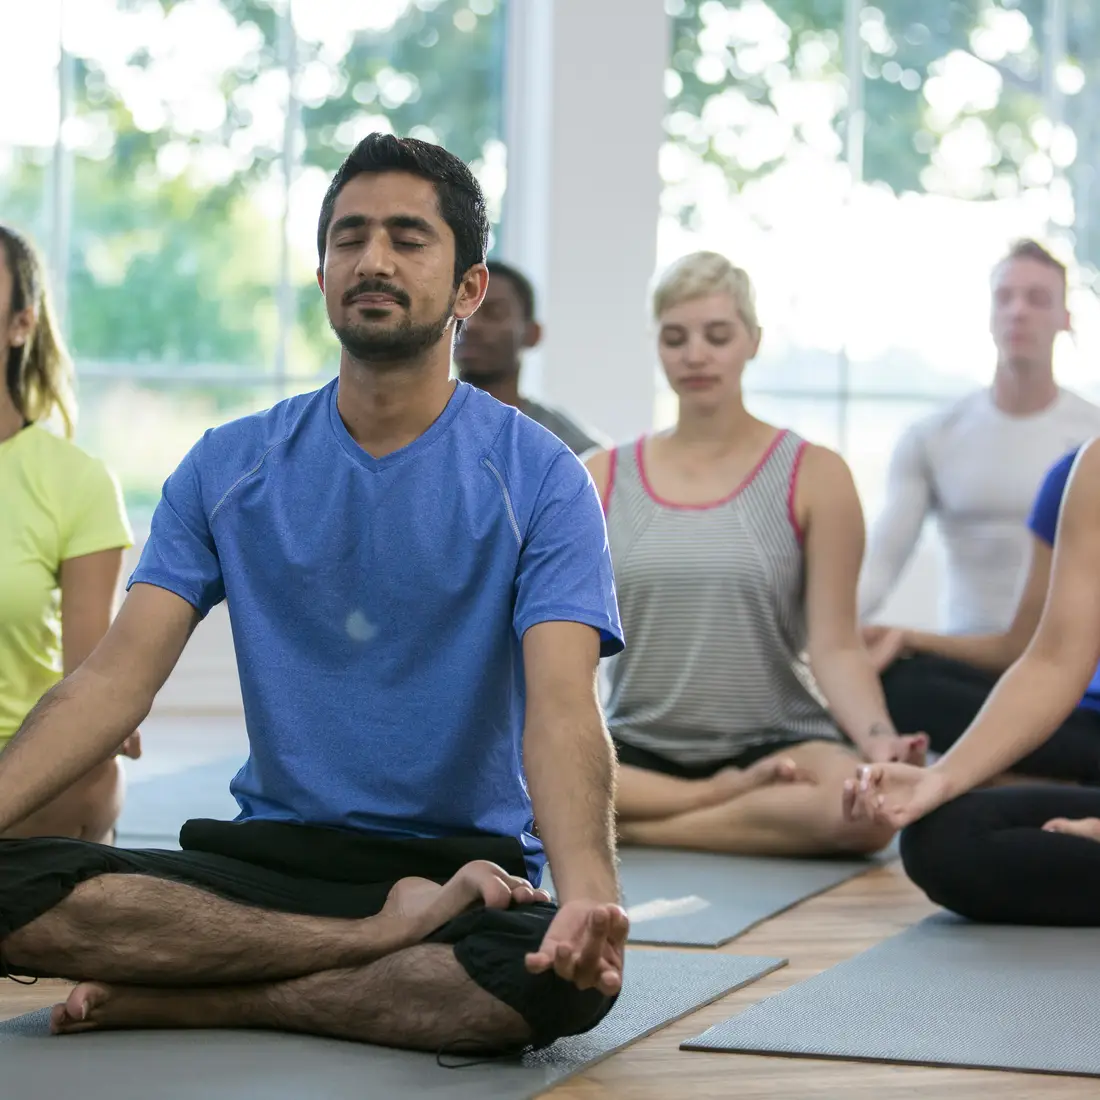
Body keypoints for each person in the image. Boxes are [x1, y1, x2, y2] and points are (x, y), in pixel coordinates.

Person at [0, 135, 629, 1051]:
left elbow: (565, 710)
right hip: (269, 862)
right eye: (349, 237)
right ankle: (371, 946)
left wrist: (589, 903)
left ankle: (214, 995)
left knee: (547, 982)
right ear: (324, 271)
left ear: (469, 289)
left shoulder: (542, 478)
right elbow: (110, 683)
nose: (372, 260)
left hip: (461, 869)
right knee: (11, 883)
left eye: (408, 239)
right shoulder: (227, 464)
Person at [584, 251, 926, 859]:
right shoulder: (601, 476)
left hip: (780, 743)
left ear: (753, 340)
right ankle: (722, 802)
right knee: (525, 778)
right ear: (656, 344)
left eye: (717, 336)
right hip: (639, 743)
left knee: (865, 813)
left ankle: (639, 828)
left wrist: (879, 742)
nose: (695, 355)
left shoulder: (816, 474)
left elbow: (837, 645)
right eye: (675, 338)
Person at [845, 438, 1100, 925]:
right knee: (941, 840)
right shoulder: (1092, 470)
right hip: (1086, 723)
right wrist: (941, 778)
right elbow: (1052, 661)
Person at [859, 239, 1100, 636]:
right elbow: (881, 563)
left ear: (1065, 318)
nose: (1018, 311)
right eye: (1004, 298)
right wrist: (825, 638)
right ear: (989, 315)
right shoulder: (932, 437)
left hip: (1071, 660)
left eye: (1037, 299)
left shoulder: (1092, 439)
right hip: (963, 653)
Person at [0, 224, 139, 845]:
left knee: (94, 779)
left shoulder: (76, 481)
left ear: (20, 325)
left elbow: (88, 694)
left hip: (22, 771)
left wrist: (103, 725)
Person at [865, 447, 1100, 784]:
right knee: (904, 682)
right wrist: (907, 638)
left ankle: (1021, 784)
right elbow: (1028, 652)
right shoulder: (1075, 475)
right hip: (1071, 710)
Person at [454, 259, 609, 455]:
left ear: (532, 334)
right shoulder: (421, 426)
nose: (471, 325)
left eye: (494, 313)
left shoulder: (569, 450)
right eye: (462, 311)